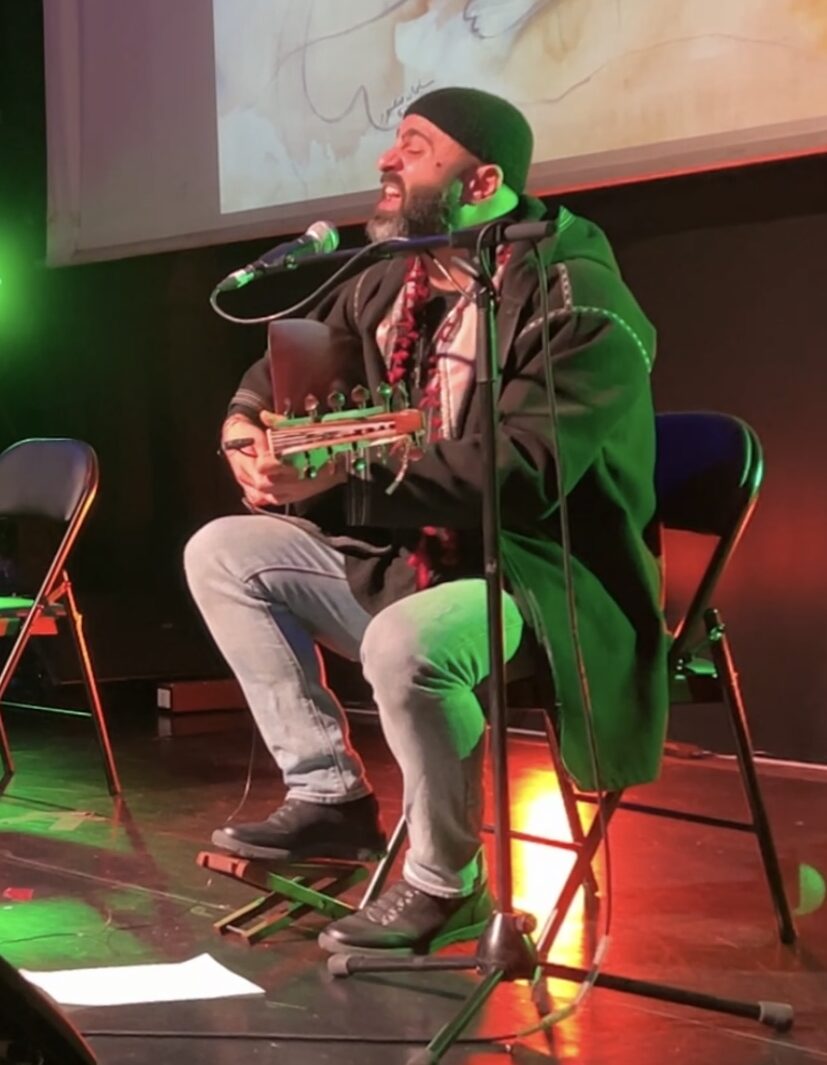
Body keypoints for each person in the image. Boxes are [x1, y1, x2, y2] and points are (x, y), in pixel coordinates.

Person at [184, 86, 669, 955]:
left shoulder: (579, 299)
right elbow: (285, 359)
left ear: (481, 179)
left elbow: (524, 477)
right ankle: (329, 794)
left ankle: (447, 880)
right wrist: (243, 429)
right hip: (408, 560)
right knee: (223, 550)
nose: (385, 160)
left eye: (414, 146)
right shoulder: (386, 280)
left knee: (404, 644)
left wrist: (338, 482)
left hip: (536, 575)